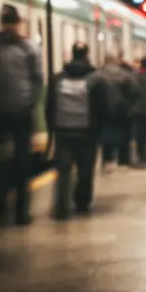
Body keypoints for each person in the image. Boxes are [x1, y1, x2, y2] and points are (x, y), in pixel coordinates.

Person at [0, 5, 43, 225]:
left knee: (0, 163)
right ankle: (21, 214)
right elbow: (37, 80)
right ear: (16, 23)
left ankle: (0, 213)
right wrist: (30, 104)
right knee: (22, 164)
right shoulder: (27, 47)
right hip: (21, 115)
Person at [46, 42, 102, 219]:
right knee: (85, 170)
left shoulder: (58, 79)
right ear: (87, 53)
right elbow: (102, 108)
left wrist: (52, 129)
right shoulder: (95, 79)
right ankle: (82, 204)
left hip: (63, 132)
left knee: (63, 170)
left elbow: (49, 107)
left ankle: (61, 207)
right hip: (87, 132)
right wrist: (98, 130)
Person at [92, 54, 138, 171]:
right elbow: (134, 91)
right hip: (123, 111)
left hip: (104, 112)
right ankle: (124, 159)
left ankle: (107, 159)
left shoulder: (97, 76)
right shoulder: (125, 75)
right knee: (124, 135)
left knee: (106, 136)